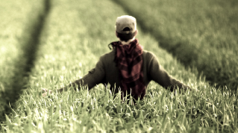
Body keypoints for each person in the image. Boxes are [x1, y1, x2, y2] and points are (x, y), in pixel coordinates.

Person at [42, 15, 190, 100]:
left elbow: (85, 83)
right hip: (144, 116)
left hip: (114, 117)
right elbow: (170, 83)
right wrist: (196, 94)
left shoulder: (106, 60)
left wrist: (54, 93)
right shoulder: (148, 59)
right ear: (136, 33)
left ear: (116, 33)